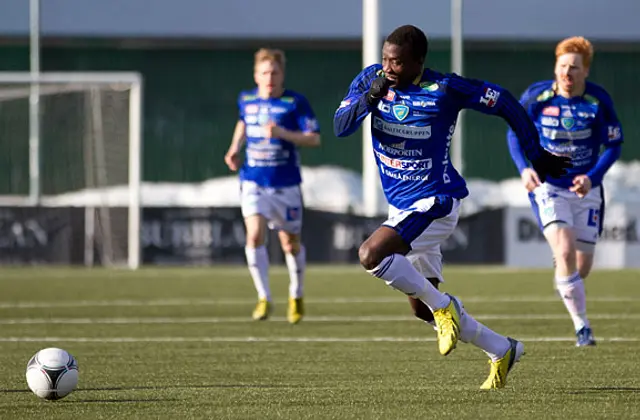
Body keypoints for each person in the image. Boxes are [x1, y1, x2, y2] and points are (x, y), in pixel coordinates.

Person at [333, 25, 570, 389]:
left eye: (397, 62)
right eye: (385, 59)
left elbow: (505, 101)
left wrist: (535, 153)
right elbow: (340, 127)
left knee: (371, 255)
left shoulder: (444, 88)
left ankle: (446, 307)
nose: (389, 67)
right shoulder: (371, 80)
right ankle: (502, 348)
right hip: (402, 208)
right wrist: (369, 98)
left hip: (437, 201)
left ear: (419, 62)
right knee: (420, 308)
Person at [507, 37, 623, 347]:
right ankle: (582, 327)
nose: (567, 74)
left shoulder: (598, 101)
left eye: (574, 68)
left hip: (586, 190)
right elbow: (514, 133)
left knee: (580, 267)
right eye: (562, 67)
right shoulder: (537, 97)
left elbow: (613, 145)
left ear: (586, 71)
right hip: (550, 186)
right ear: (555, 68)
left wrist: (592, 176)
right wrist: (524, 168)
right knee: (566, 252)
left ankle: (564, 271)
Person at [224, 48, 321, 324]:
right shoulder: (247, 99)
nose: (270, 77)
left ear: (282, 74)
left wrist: (283, 134)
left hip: (286, 184)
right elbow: (243, 122)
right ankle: (264, 297)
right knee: (253, 236)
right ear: (256, 75)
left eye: (275, 72)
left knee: (290, 244)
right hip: (253, 180)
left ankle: (296, 293)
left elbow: (314, 138)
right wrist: (234, 148)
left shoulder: (295, 103)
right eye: (265, 72)